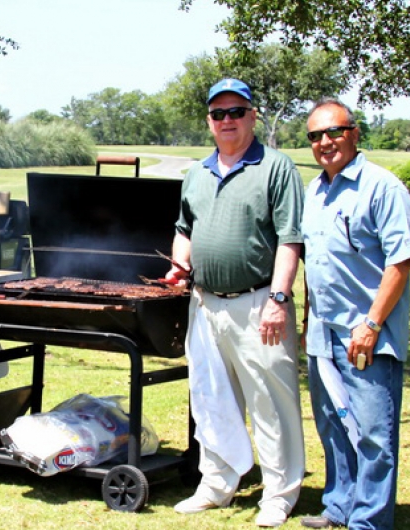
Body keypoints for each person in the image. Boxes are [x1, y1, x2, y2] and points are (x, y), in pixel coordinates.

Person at [165, 78, 306, 528]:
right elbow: (184, 229)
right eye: (218, 114)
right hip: (205, 305)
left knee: (271, 401)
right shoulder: (197, 173)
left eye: (236, 112)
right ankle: (216, 484)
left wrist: (279, 299)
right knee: (211, 399)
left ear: (252, 116)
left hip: (260, 303)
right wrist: (178, 266)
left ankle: (279, 495)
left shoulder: (277, 167)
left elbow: (290, 238)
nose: (227, 121)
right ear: (209, 120)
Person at [299, 99, 410, 530]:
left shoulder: (382, 188)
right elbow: (317, 265)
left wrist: (370, 324)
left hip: (366, 333)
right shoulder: (315, 191)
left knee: (373, 434)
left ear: (355, 133)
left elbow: (399, 264)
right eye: (315, 136)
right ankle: (339, 508)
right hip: (322, 335)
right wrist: (309, 323)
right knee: (333, 426)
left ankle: (368, 521)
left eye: (334, 132)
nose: (325, 142)